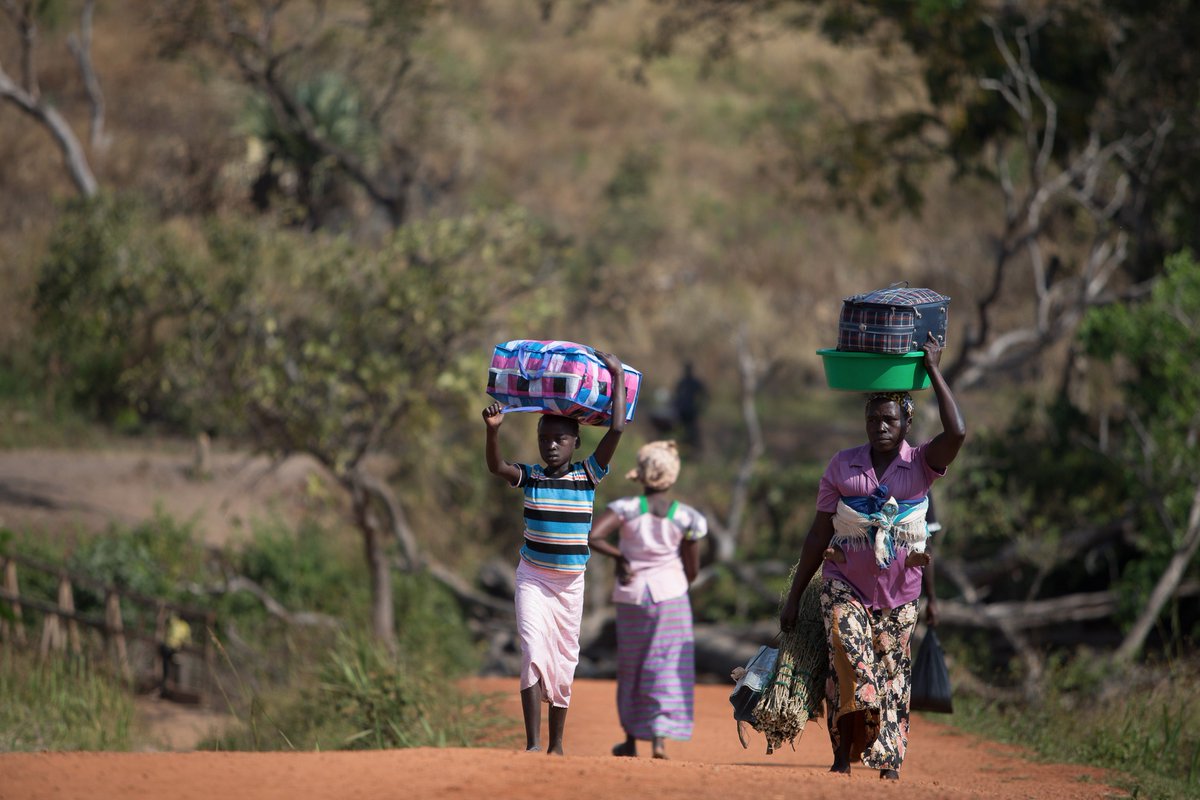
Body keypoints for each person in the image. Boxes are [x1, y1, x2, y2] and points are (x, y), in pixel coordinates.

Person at [779, 332, 964, 781]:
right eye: (873, 419)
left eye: (889, 420)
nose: (880, 427)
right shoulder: (842, 466)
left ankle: (887, 760)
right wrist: (794, 595)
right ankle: (843, 756)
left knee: (893, 673)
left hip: (901, 594)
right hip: (844, 583)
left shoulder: (921, 464)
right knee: (847, 656)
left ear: (905, 424)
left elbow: (957, 432)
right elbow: (818, 533)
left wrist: (934, 368)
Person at [482, 350, 627, 756]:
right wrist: (493, 430)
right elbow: (497, 468)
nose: (551, 447)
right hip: (533, 576)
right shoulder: (530, 476)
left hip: (570, 584)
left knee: (564, 661)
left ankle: (556, 746)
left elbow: (616, 430)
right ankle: (532, 744)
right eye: (544, 439)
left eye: (559, 439)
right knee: (532, 650)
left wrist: (615, 375)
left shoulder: (588, 474)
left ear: (575, 443)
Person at [588, 440, 707, 760]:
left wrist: (622, 559)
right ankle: (658, 739)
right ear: (672, 477)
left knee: (632, 664)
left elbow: (594, 537)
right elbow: (692, 570)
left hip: (632, 597)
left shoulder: (626, 509)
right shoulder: (686, 517)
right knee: (667, 665)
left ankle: (629, 739)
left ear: (640, 476)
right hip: (671, 596)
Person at [673, 362, 707, 451]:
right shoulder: (682, 382)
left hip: (691, 412)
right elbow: (676, 395)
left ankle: (693, 450)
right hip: (682, 411)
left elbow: (705, 394)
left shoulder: (695, 383)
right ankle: (683, 449)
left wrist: (700, 406)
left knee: (692, 431)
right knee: (681, 431)